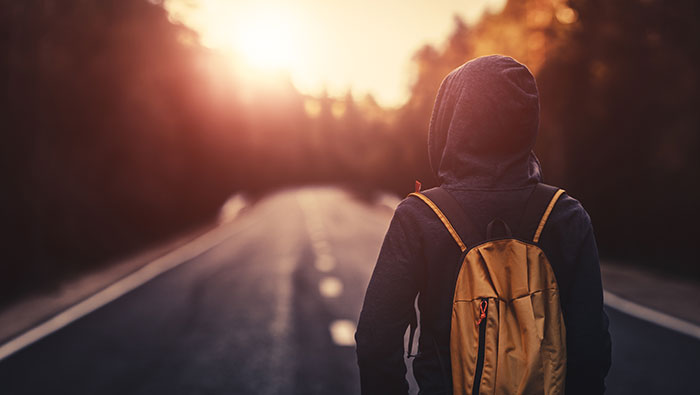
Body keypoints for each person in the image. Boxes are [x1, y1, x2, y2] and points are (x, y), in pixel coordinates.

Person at [355, 55, 612, 394]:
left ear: (451, 119)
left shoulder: (420, 215)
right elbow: (591, 346)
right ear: (526, 121)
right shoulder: (566, 214)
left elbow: (376, 339)